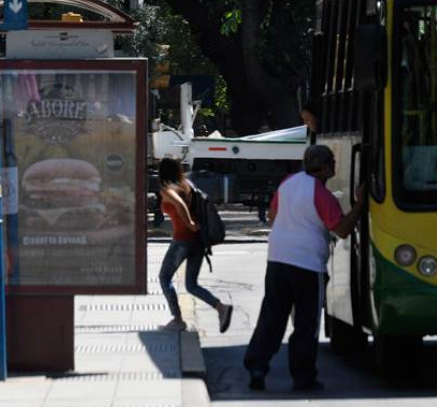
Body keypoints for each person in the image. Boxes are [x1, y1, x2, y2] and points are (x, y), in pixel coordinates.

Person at [243, 145, 366, 391]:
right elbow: (341, 229)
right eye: (332, 162)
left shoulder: (288, 182)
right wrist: (360, 205)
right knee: (306, 323)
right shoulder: (322, 194)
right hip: (307, 264)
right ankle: (303, 376)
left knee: (272, 317)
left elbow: (272, 215)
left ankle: (257, 367)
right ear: (324, 166)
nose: (334, 166)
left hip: (277, 259)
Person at [156, 157, 233, 333]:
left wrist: (189, 222)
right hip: (197, 240)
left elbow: (180, 204)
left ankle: (177, 320)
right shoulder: (187, 185)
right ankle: (221, 308)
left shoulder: (168, 189)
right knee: (191, 285)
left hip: (182, 239)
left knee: (164, 277)